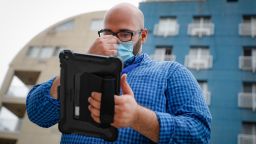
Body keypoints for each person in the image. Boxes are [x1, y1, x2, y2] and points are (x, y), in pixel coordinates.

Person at [26, 3, 212, 144]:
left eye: (125, 34)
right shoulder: (78, 70)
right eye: (107, 33)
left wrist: (137, 117)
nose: (114, 41)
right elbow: (37, 113)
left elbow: (199, 134)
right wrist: (83, 62)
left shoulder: (171, 72)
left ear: (143, 36)